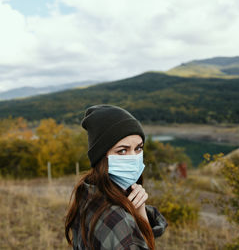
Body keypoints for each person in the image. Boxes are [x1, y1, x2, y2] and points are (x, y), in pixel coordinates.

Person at [65, 104, 167, 250]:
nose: (134, 157)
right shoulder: (118, 221)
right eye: (122, 151)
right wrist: (141, 220)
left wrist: (140, 212)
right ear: (101, 157)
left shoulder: (88, 192)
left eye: (138, 148)